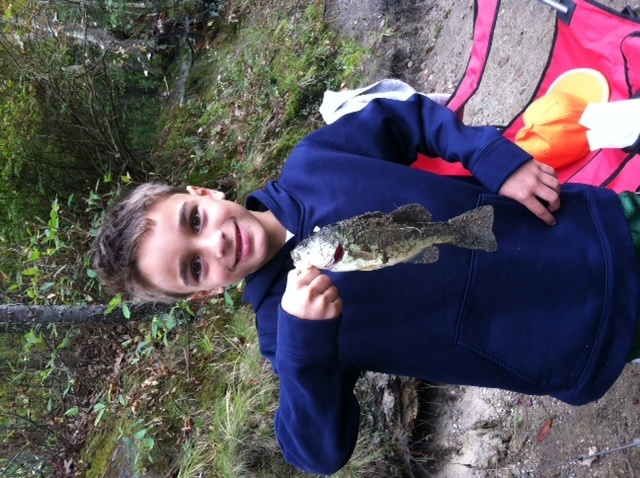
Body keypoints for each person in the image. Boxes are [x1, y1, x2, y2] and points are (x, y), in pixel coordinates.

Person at [92, 81, 640, 475]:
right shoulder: (284, 332)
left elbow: (407, 118)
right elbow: (317, 454)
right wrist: (306, 350)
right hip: (577, 338)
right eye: (195, 267)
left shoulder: (314, 160)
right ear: (207, 290)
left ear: (204, 195)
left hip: (582, 226)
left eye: (194, 221)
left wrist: (492, 156)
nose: (214, 243)